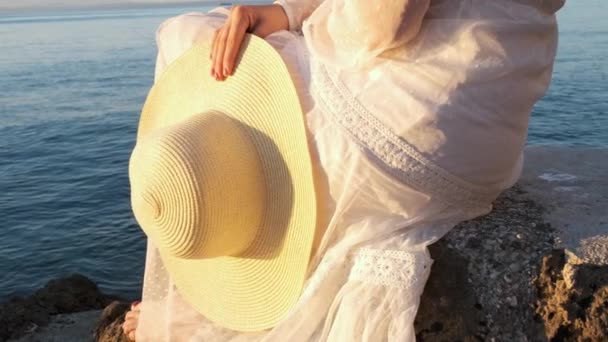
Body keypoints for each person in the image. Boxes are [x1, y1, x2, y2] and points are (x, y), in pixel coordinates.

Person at [123, 0, 564, 340]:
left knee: (193, 36)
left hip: (400, 121)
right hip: (485, 131)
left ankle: (212, 297)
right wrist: (288, 12)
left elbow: (384, 24)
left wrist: (304, 24)